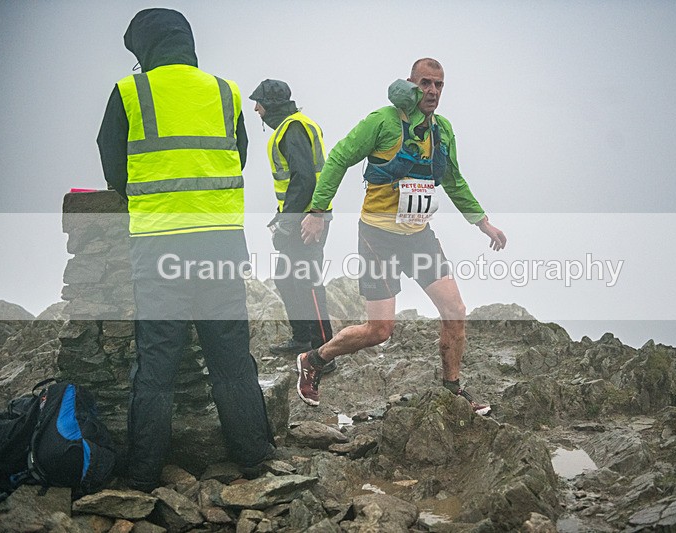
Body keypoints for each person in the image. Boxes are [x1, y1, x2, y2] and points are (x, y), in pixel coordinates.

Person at [96, 8, 273, 491]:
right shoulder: (227, 91)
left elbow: (114, 165)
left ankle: (143, 471)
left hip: (159, 249)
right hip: (219, 244)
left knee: (155, 367)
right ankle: (254, 455)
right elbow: (237, 155)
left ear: (144, 46)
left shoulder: (131, 92)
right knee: (231, 358)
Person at [298, 58, 507, 415]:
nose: (432, 91)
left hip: (419, 236)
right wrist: (317, 211)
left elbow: (454, 180)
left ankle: (452, 389)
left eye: (439, 85)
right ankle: (314, 359)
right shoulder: (382, 121)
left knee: (455, 310)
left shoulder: (442, 130)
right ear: (410, 85)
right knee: (380, 330)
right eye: (425, 83)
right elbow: (338, 158)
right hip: (377, 236)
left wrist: (482, 222)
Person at [249, 80, 335, 372]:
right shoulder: (291, 126)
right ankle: (303, 339)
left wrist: (289, 222)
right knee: (287, 278)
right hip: (300, 215)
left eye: (259, 102)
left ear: (271, 104)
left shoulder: (293, 128)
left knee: (308, 281)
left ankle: (324, 353)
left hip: (308, 218)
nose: (256, 108)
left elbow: (305, 179)